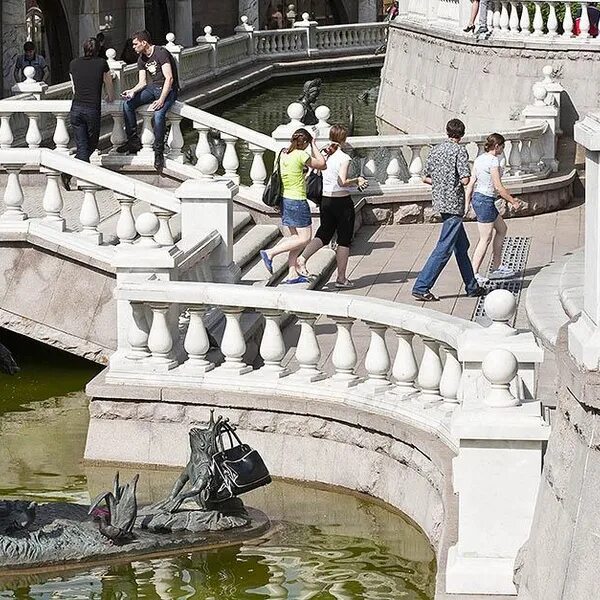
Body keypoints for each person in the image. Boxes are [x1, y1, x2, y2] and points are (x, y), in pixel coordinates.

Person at [411, 119, 485, 302]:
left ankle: (472, 287)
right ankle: (421, 287)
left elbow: (425, 177)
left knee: (462, 247)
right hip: (454, 204)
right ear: (462, 134)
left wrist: (442, 183)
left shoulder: (436, 149)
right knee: (444, 248)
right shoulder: (459, 150)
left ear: (447, 132)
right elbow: (466, 179)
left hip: (440, 201)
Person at [296, 124, 367, 288]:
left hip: (325, 201)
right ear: (344, 139)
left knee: (324, 233)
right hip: (341, 202)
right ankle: (341, 278)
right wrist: (358, 179)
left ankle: (302, 258)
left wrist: (313, 142)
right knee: (344, 240)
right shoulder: (343, 158)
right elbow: (342, 182)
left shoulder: (324, 153)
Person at [259, 128, 326, 284]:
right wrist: (314, 145)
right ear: (306, 143)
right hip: (297, 201)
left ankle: (292, 274)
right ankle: (270, 253)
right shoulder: (301, 155)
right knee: (305, 238)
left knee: (296, 238)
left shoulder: (283, 153)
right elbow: (322, 164)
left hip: (285, 200)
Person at [117, 30, 179, 174]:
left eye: (135, 44)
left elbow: (169, 79)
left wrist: (161, 100)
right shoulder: (142, 59)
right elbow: (143, 82)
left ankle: (158, 151)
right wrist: (132, 91)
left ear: (144, 42)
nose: (133, 47)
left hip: (168, 90)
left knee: (158, 115)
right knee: (128, 104)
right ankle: (133, 141)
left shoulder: (161, 53)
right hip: (153, 88)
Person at [466, 133, 522, 284]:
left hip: (480, 198)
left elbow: (471, 183)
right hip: (485, 200)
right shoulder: (493, 161)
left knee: (502, 229)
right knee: (485, 238)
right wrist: (513, 201)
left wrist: (467, 202)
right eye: (502, 147)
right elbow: (498, 187)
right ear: (497, 146)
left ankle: (497, 267)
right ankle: (473, 273)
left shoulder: (479, 159)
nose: (503, 150)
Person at [62, 38, 115, 190]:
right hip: (91, 109)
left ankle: (75, 175)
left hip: (76, 108)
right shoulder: (101, 63)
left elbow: (74, 88)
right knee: (91, 144)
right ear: (98, 49)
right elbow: (108, 84)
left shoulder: (73, 63)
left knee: (82, 145)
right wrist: (110, 97)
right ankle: (78, 178)